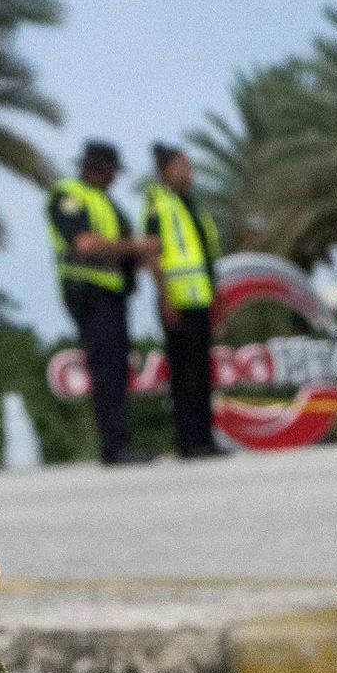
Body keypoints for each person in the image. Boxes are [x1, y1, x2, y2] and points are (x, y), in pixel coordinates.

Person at [48, 142, 152, 464]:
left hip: (112, 293)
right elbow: (84, 244)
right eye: (110, 171)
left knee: (118, 367)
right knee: (105, 367)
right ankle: (114, 446)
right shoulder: (68, 195)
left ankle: (121, 441)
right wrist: (134, 247)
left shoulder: (107, 202)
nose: (114, 178)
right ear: (94, 167)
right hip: (88, 291)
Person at [142, 142, 226, 460]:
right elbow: (152, 252)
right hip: (177, 302)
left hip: (201, 298)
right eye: (183, 166)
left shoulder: (192, 205)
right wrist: (165, 299)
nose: (189, 171)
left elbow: (206, 255)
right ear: (166, 171)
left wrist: (218, 297)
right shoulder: (158, 203)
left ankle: (205, 438)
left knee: (202, 372)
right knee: (183, 374)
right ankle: (188, 441)